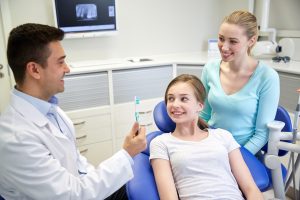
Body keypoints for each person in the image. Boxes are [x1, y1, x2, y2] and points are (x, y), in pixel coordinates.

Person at [0, 23, 147, 200]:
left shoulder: (51, 109)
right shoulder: (15, 139)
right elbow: (72, 196)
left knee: (142, 178)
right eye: (60, 62)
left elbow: (79, 165)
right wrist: (127, 153)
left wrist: (111, 174)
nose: (67, 69)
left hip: (83, 192)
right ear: (34, 70)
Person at [150, 74, 263, 200]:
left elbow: (250, 188)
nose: (175, 104)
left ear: (200, 106)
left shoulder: (222, 136)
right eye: (170, 99)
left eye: (183, 99)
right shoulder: (161, 143)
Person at [200, 10, 280, 155]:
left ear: (252, 41)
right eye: (221, 38)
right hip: (210, 147)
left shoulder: (267, 78)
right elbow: (203, 116)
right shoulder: (210, 69)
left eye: (233, 41)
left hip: (243, 153)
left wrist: (235, 159)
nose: (224, 47)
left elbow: (261, 134)